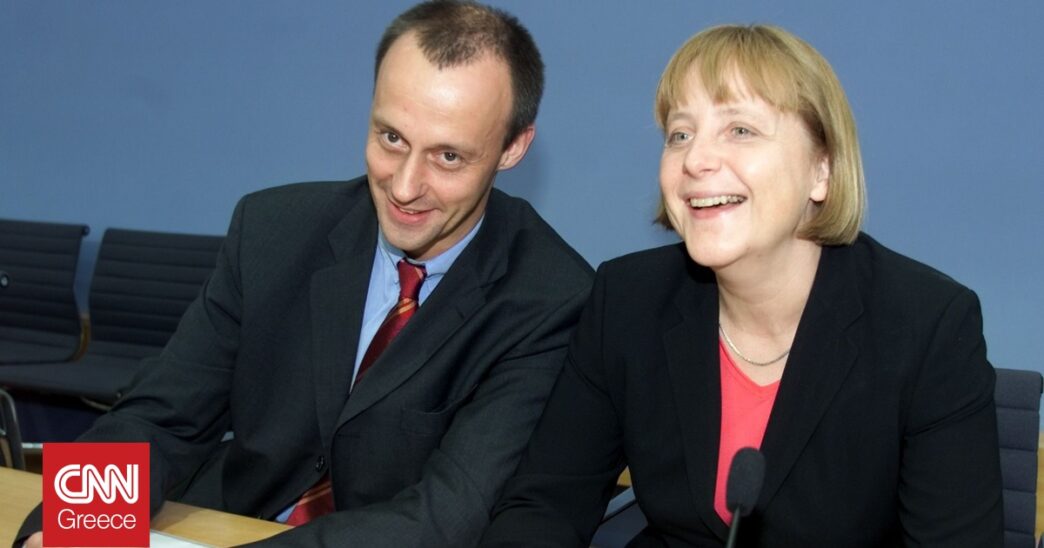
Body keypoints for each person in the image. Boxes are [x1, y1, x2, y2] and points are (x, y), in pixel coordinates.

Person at [17, 1, 593, 546]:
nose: (404, 187)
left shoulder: (550, 298)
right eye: (391, 138)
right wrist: (68, 527)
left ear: (513, 147)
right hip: (226, 521)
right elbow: (162, 416)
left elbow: (447, 514)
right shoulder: (272, 230)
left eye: (448, 157)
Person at [481, 24, 1002, 547]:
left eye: (741, 130)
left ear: (821, 170)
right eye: (680, 134)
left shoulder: (927, 327)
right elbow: (545, 503)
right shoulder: (627, 299)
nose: (695, 160)